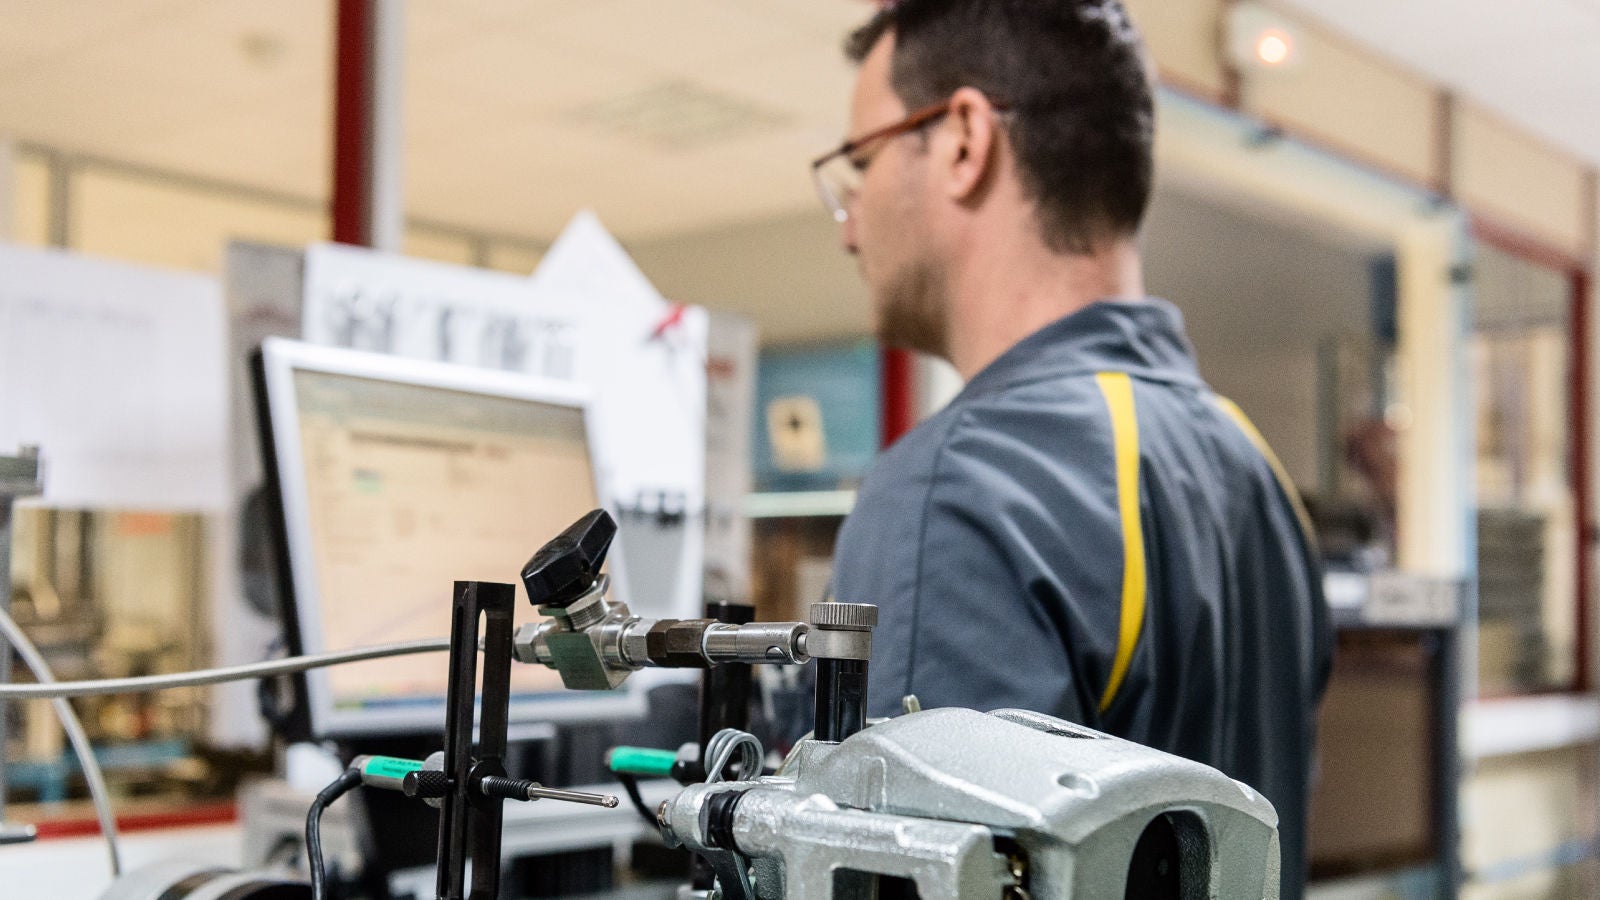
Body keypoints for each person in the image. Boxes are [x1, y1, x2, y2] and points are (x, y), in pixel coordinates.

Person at [813, 2, 1333, 897]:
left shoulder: (960, 485)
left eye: (859, 165)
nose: (849, 224)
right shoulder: (1256, 466)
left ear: (965, 140)